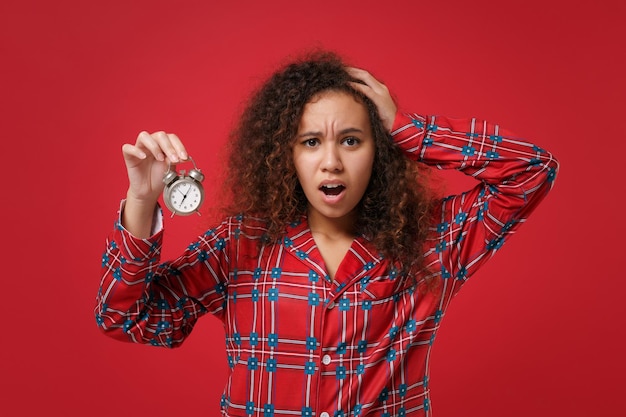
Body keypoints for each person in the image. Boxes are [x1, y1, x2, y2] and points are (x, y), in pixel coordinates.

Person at [96, 52, 558, 417]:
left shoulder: (430, 241)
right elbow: (127, 319)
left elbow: (531, 171)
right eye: (311, 141)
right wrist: (141, 200)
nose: (331, 162)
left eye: (352, 140)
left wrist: (408, 129)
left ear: (382, 151)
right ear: (286, 155)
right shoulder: (240, 244)